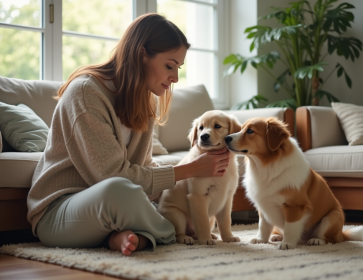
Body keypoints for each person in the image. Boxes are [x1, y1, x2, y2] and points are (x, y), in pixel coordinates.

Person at [28, 13, 230, 256]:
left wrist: (179, 203)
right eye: (169, 65)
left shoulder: (145, 101)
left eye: (178, 68)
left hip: (113, 206)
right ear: (142, 54)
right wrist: (189, 170)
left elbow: (144, 169)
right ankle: (165, 233)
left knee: (155, 199)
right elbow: (112, 176)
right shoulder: (85, 93)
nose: (175, 78)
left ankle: (124, 237)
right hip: (59, 211)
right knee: (119, 191)